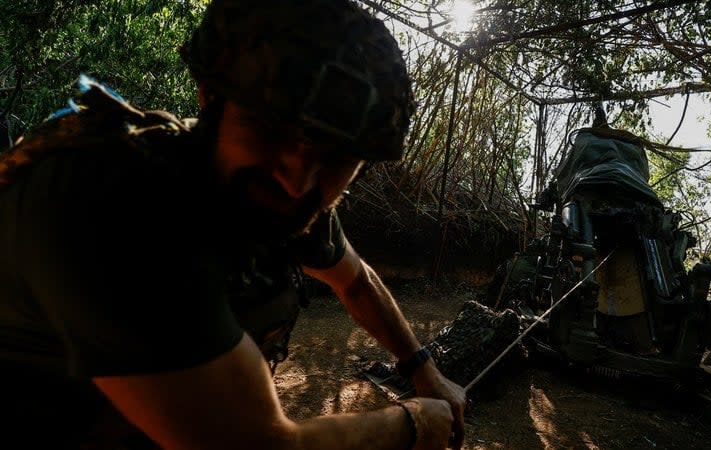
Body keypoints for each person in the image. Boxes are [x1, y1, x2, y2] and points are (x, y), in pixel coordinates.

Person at [0, 0, 465, 448]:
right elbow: (255, 444)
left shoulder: (285, 202)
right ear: (210, 99)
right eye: (273, 131)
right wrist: (415, 424)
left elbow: (357, 281)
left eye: (337, 157)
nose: (297, 180)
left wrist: (421, 366)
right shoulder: (108, 202)